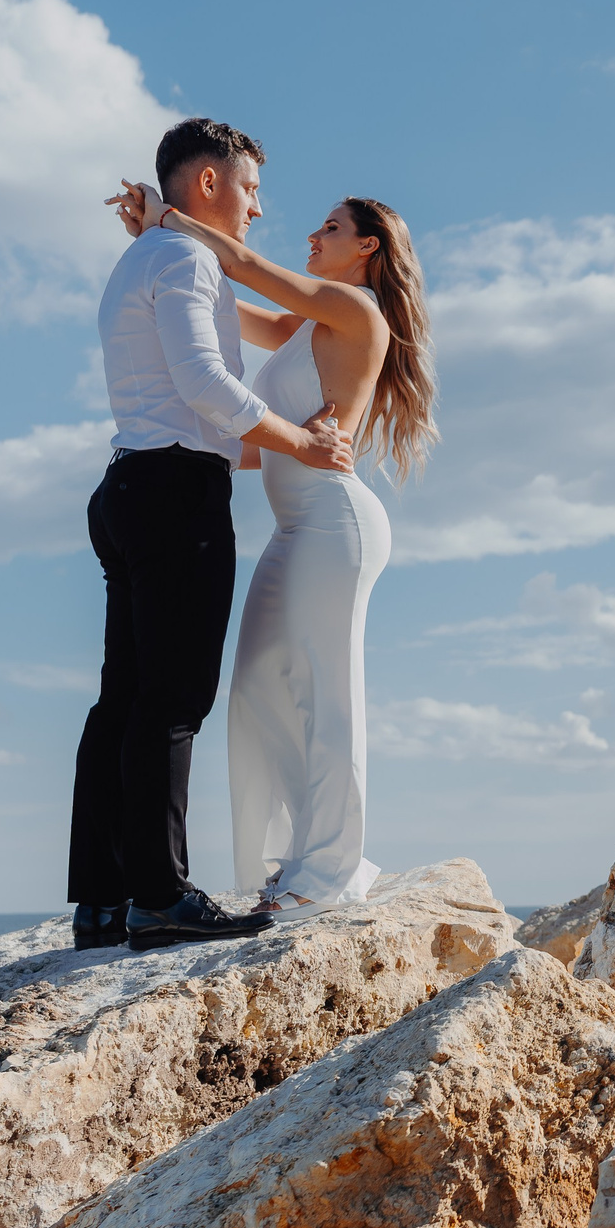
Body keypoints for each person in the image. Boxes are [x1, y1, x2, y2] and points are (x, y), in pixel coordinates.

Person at [111, 178, 437, 918]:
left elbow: (243, 269)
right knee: (258, 684)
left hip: (335, 524)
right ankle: (299, 856)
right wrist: (154, 248)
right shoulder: (305, 327)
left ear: (367, 247)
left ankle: (326, 872)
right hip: (299, 528)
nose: (311, 237)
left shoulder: (356, 308)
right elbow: (232, 312)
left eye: (329, 227)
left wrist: (172, 219)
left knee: (328, 691)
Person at [71, 120, 353, 953]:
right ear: (208, 185)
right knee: (173, 699)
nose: (259, 207)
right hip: (170, 491)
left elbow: (198, 377)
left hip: (127, 482)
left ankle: (104, 898)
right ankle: (160, 897)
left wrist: (160, 221)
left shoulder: (144, 259)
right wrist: (302, 443)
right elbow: (203, 383)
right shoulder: (188, 259)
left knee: (123, 697)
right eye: (252, 188)